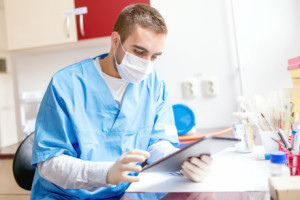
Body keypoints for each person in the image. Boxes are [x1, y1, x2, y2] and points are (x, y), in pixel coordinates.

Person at [31, 4, 213, 199]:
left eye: (154, 56)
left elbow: (157, 143)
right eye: (139, 52)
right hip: (68, 196)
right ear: (115, 41)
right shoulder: (66, 84)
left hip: (126, 193)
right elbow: (49, 164)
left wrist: (184, 163)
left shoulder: (153, 83)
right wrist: (106, 173)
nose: (146, 64)